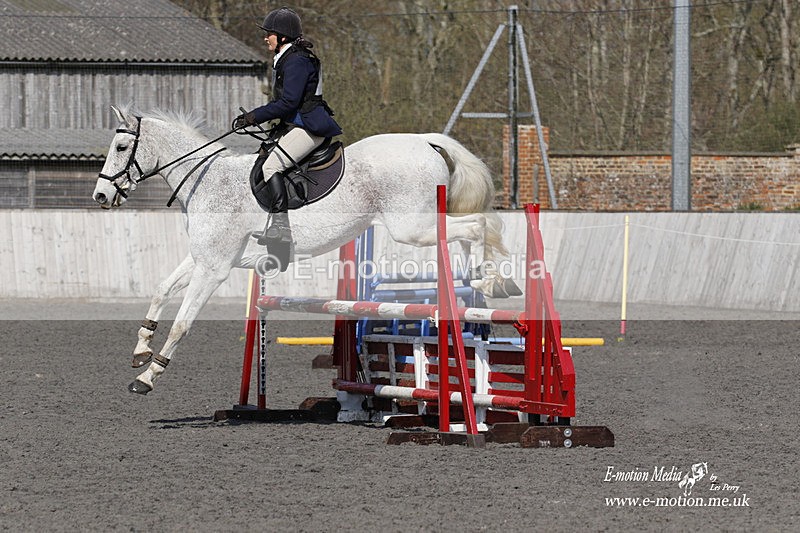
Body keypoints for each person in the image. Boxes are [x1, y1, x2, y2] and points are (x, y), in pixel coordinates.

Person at [233, 6, 342, 246]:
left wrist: (254, 116)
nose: (265, 38)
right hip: (297, 124)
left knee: (271, 167)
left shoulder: (296, 61)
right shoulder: (289, 59)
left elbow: (288, 102)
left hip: (310, 127)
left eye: (269, 33)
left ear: (282, 36)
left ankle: (281, 229)